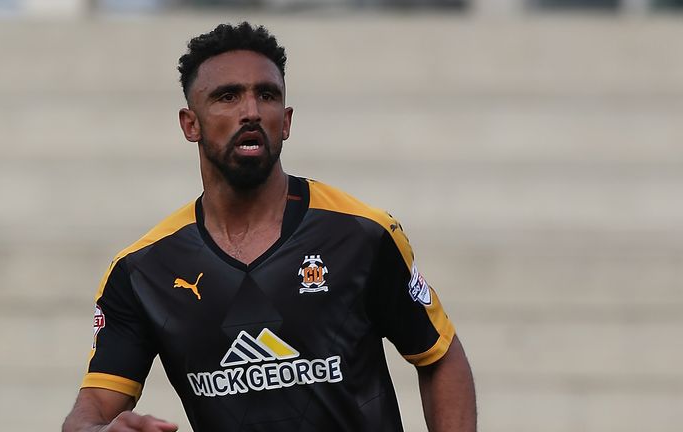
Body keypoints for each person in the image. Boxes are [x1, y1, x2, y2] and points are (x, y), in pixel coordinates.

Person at [62, 22, 476, 432]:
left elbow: (440, 357)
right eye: (227, 96)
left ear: (287, 120)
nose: (251, 112)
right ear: (191, 124)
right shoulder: (142, 270)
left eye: (267, 95)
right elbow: (91, 408)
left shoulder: (361, 234)